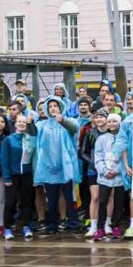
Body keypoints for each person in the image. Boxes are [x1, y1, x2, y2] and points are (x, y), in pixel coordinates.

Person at [34, 96, 81, 234]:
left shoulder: (69, 120)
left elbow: (74, 128)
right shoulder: (42, 124)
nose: (52, 108)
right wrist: (29, 123)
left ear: (61, 107)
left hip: (66, 166)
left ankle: (73, 223)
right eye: (50, 106)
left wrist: (63, 120)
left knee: (69, 196)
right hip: (48, 167)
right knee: (52, 198)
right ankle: (52, 225)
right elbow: (32, 132)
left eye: (55, 106)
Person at [93, 113, 126, 241]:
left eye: (115, 121)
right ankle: (100, 228)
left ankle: (116, 226)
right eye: (110, 121)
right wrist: (104, 170)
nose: (112, 124)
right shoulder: (101, 139)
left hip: (119, 177)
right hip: (104, 177)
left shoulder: (123, 138)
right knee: (102, 201)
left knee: (118, 202)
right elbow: (98, 156)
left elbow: (125, 157)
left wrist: (117, 170)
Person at [79, 110, 109, 239]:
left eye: (102, 117)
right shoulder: (89, 133)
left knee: (109, 197)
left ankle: (107, 224)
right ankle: (93, 225)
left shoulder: (111, 132)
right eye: (97, 117)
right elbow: (82, 152)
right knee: (95, 197)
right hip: (93, 168)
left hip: (109, 168)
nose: (99, 119)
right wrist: (94, 162)